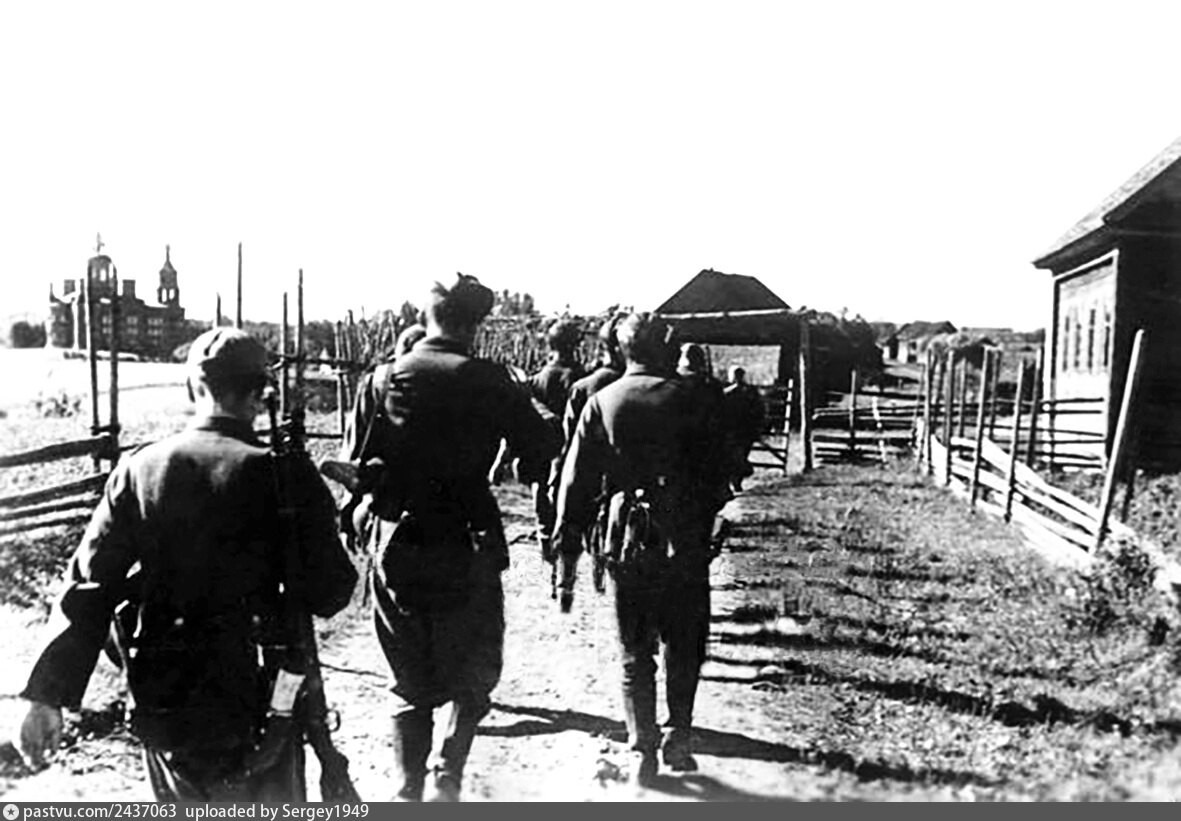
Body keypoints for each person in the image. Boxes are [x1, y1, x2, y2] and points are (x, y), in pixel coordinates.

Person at [14, 327, 358, 801]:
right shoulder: (285, 473)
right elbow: (331, 592)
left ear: (193, 386)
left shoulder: (138, 470)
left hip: (165, 704)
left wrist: (45, 696)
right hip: (260, 704)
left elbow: (89, 586)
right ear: (259, 394)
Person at [341, 273, 558, 802]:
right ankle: (448, 773)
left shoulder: (383, 379)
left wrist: (357, 515)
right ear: (475, 324)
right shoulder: (494, 380)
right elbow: (540, 449)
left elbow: (355, 469)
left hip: (397, 539)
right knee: (475, 667)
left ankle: (406, 789)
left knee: (407, 677)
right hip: (468, 536)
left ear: (426, 317)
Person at [553, 313, 730, 787]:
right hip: (685, 539)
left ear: (622, 350)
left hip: (627, 540)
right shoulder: (694, 400)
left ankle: (642, 751)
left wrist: (567, 543)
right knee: (684, 642)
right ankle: (679, 735)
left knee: (635, 650)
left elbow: (574, 483)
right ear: (665, 348)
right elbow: (722, 472)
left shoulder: (602, 402)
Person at [526, 319, 586, 563]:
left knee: (541, 495)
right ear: (576, 345)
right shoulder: (581, 378)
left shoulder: (536, 379)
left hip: (542, 449)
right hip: (571, 452)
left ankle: (545, 548)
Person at [721, 365, 767, 492]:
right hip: (729, 429)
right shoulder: (725, 388)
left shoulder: (749, 390)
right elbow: (719, 401)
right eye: (735, 375)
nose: (737, 377)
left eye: (739, 375)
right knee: (730, 457)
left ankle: (737, 482)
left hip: (744, 429)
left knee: (742, 456)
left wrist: (757, 424)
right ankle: (729, 483)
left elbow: (758, 407)